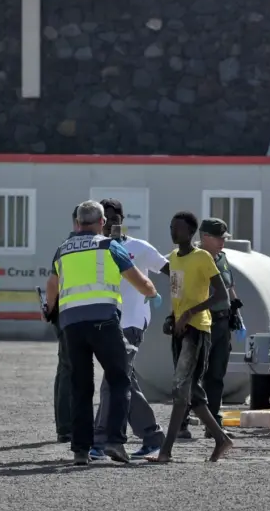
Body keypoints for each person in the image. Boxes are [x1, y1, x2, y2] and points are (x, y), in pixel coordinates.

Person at [44, 200, 158, 466]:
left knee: (80, 387)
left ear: (77, 222)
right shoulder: (108, 245)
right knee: (119, 380)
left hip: (71, 325)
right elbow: (138, 280)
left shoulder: (62, 249)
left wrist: (50, 310)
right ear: (102, 222)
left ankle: (80, 451)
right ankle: (115, 442)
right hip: (104, 322)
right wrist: (152, 292)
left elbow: (52, 285)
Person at [147, 211, 233, 463]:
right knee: (191, 392)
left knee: (181, 388)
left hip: (198, 330)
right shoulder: (173, 258)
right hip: (181, 330)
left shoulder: (203, 257)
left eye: (180, 228)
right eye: (172, 227)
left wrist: (189, 314)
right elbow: (177, 295)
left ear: (192, 232)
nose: (174, 232)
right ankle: (221, 439)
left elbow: (222, 297)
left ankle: (165, 451)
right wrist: (173, 318)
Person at [91, 198, 167, 460]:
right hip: (106, 323)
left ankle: (101, 440)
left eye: (115, 216)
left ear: (122, 219)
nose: (111, 221)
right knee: (123, 380)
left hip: (132, 323)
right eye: (106, 216)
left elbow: (171, 270)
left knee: (113, 381)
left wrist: (182, 300)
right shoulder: (97, 249)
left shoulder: (139, 248)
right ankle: (151, 435)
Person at [177, 218, 244, 439]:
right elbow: (180, 289)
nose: (222, 242)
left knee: (216, 374)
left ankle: (212, 423)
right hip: (200, 321)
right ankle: (181, 423)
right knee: (192, 374)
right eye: (218, 238)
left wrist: (236, 313)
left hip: (222, 323)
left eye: (224, 238)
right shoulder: (191, 257)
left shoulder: (222, 259)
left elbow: (229, 287)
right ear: (205, 237)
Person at [51, 206, 78, 444]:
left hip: (67, 315)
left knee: (67, 370)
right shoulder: (69, 248)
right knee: (69, 370)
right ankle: (67, 427)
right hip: (72, 316)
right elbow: (53, 282)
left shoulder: (64, 248)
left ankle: (66, 427)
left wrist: (50, 309)